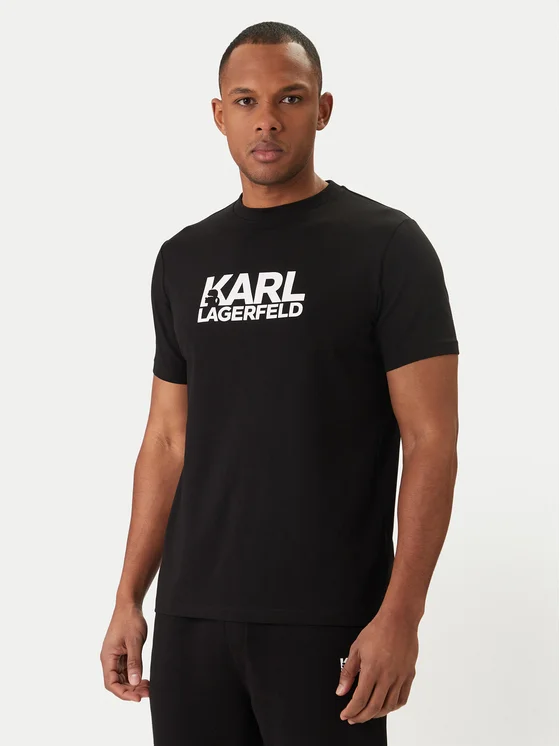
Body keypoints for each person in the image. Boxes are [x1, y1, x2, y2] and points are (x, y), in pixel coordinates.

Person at [100, 20, 460, 746]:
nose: (267, 120)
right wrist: (128, 598)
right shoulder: (184, 258)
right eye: (246, 101)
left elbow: (432, 441)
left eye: (290, 98)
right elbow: (166, 440)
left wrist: (402, 616)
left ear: (323, 109)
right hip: (193, 618)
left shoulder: (388, 247)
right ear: (219, 114)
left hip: (327, 620)